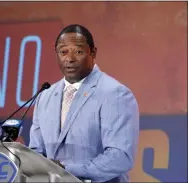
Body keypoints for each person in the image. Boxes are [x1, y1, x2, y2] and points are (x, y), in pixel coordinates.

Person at [29, 24, 139, 183]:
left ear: (93, 53)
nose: (70, 58)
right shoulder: (45, 96)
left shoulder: (115, 94)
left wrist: (66, 170)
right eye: (63, 52)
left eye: (78, 51)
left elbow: (120, 157)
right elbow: (36, 152)